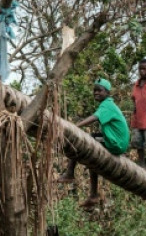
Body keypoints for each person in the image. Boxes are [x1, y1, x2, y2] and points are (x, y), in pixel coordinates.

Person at [58, 78, 130, 209]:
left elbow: (94, 117)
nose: (96, 93)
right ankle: (93, 194)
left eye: (99, 90)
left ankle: (70, 173)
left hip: (116, 143)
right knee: (92, 153)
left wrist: (74, 126)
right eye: (94, 91)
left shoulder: (107, 105)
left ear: (107, 92)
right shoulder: (108, 105)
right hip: (117, 142)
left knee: (82, 142)